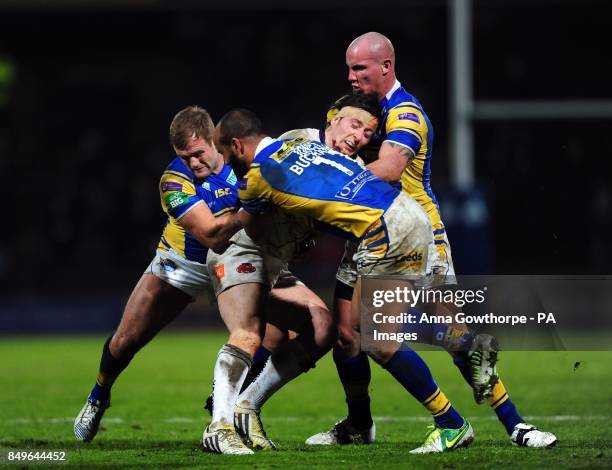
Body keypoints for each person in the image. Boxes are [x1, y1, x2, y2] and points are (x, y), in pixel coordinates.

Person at [306, 31, 556, 450]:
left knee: (449, 337)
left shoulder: (406, 114)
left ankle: (514, 424)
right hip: (368, 236)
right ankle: (359, 424)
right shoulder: (349, 109)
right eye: (348, 68)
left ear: (386, 66)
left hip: (417, 239)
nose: (350, 76)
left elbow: (386, 169)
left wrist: (327, 169)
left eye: (360, 68)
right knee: (346, 336)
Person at [213, 108, 475, 455]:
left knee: (377, 339)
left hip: (385, 230)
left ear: (237, 146)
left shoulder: (258, 178)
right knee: (347, 333)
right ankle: (358, 424)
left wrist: (215, 233)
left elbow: (255, 228)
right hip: (404, 212)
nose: (228, 165)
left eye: (227, 156)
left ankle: (451, 423)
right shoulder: (299, 145)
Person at [72, 106, 328, 455]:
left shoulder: (247, 163)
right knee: (125, 341)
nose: (192, 163)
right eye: (184, 156)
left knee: (310, 325)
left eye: (197, 153)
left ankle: (235, 407)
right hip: (182, 264)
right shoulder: (173, 180)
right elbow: (210, 234)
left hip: (244, 258)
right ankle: (99, 393)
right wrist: (254, 206)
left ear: (215, 141)